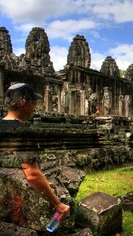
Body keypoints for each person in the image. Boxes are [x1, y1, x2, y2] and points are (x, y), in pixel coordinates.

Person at [0, 83, 70, 222]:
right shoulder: (23, 132)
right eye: (34, 103)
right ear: (24, 103)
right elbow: (32, 175)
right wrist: (58, 205)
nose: (35, 108)